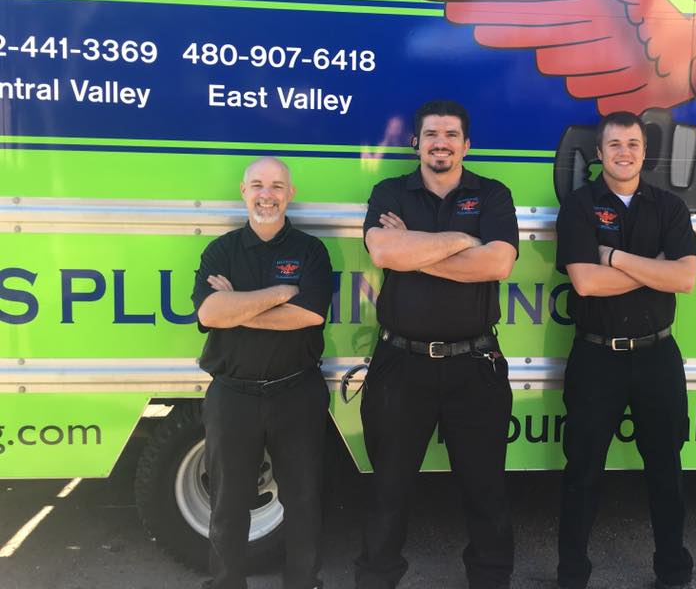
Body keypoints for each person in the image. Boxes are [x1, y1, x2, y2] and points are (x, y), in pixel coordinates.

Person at [355, 99, 519, 589]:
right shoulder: (390, 191)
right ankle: (376, 580)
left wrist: (417, 249)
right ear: (416, 143)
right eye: (431, 135)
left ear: (466, 145)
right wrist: (464, 240)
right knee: (388, 490)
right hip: (400, 365)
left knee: (485, 490)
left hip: (475, 365)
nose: (440, 143)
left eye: (450, 135)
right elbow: (383, 249)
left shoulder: (492, 194)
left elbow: (498, 265)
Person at [554, 112, 696, 589]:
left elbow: (684, 278)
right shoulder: (578, 206)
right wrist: (650, 268)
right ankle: (572, 574)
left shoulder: (669, 207)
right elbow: (585, 282)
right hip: (596, 357)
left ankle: (673, 572)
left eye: (633, 144)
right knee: (582, 472)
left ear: (645, 152)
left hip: (657, 357)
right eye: (614, 144)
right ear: (599, 153)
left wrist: (614, 257)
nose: (624, 152)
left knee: (666, 470)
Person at [192, 157, 333, 589]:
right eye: (257, 185)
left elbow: (308, 315)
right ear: (243, 191)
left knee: (305, 501)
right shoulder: (221, 250)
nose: (266, 194)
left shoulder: (311, 250)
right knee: (227, 505)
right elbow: (210, 313)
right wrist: (278, 294)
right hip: (233, 396)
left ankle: (302, 582)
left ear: (290, 194)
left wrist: (240, 305)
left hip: (297, 393)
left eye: (276, 186)